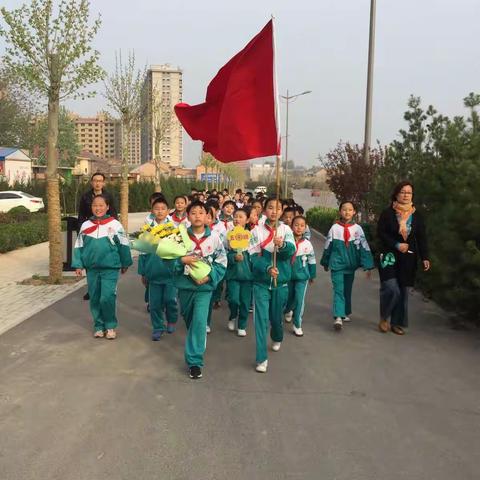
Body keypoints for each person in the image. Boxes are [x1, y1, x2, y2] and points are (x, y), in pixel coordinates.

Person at [174, 200, 227, 379]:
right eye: (193, 212)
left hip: (205, 288)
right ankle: (195, 342)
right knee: (190, 319)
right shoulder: (180, 236)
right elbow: (167, 260)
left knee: (199, 322)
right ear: (188, 216)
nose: (197, 216)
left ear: (207, 217)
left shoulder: (215, 238)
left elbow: (222, 262)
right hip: (185, 286)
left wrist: (209, 277)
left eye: (201, 212)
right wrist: (181, 261)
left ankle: (195, 362)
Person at [73, 194, 132, 339]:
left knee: (107, 297)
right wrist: (78, 264)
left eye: (101, 205)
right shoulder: (86, 225)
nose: (98, 208)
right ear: (91, 207)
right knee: (95, 297)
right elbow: (79, 246)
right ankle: (98, 326)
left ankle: (110, 326)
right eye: (95, 205)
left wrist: (125, 263)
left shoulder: (115, 224)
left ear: (107, 207)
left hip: (110, 268)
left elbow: (123, 245)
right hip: (92, 268)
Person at [249, 197, 295, 373]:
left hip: (280, 282)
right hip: (261, 282)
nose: (273, 211)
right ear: (264, 210)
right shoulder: (256, 231)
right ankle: (261, 358)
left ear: (282, 211)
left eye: (277, 208)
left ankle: (277, 336)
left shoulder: (286, 230)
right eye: (270, 207)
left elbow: (291, 251)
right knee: (260, 321)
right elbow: (253, 257)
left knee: (276, 318)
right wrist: (267, 267)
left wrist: (282, 245)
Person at [377, 181, 430, 335]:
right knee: (391, 288)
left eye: (409, 192)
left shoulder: (417, 216)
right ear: (396, 194)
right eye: (403, 192)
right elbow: (381, 233)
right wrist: (396, 244)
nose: (406, 195)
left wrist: (425, 257)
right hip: (389, 256)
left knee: (403, 291)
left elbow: (421, 238)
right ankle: (384, 317)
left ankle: (397, 323)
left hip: (408, 259)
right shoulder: (387, 214)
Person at [320, 201, 374, 331]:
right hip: (337, 265)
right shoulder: (334, 228)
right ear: (340, 211)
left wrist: (368, 265)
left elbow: (364, 247)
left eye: (350, 210)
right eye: (344, 209)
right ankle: (338, 316)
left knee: (347, 290)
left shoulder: (358, 229)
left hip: (351, 265)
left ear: (354, 212)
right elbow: (328, 246)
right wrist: (325, 262)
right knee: (338, 290)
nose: (347, 212)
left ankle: (345, 312)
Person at [138, 198, 178, 340]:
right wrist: (142, 272)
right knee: (154, 304)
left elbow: (180, 250)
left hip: (170, 274)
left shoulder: (174, 227)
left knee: (170, 300)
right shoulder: (148, 229)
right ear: (152, 211)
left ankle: (172, 319)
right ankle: (158, 327)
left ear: (168, 210)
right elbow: (143, 251)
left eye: (163, 208)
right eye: (157, 208)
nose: (160, 211)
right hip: (153, 273)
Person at [77, 172, 117, 301]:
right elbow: (81, 215)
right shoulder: (85, 197)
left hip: (106, 230)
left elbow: (114, 214)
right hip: (90, 230)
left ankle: (107, 288)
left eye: (100, 180)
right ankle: (91, 289)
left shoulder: (108, 196)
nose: (98, 183)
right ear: (91, 182)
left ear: (103, 183)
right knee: (91, 260)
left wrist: (113, 229)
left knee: (105, 258)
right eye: (95, 180)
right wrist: (82, 229)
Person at [284, 216, 316, 337]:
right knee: (288, 298)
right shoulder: (287, 241)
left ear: (305, 228)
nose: (299, 228)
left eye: (302, 225)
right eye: (296, 225)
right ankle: (287, 311)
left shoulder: (308, 244)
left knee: (299, 299)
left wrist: (312, 274)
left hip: (302, 277)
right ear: (292, 226)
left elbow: (312, 260)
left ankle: (297, 324)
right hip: (288, 276)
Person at [225, 208, 253, 336]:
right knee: (234, 300)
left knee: (245, 302)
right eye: (235, 216)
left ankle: (242, 325)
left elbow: (257, 256)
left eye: (241, 216)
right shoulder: (228, 235)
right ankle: (232, 316)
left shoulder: (251, 236)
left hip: (248, 276)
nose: (237, 219)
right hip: (233, 275)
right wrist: (233, 258)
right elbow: (223, 255)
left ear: (247, 220)